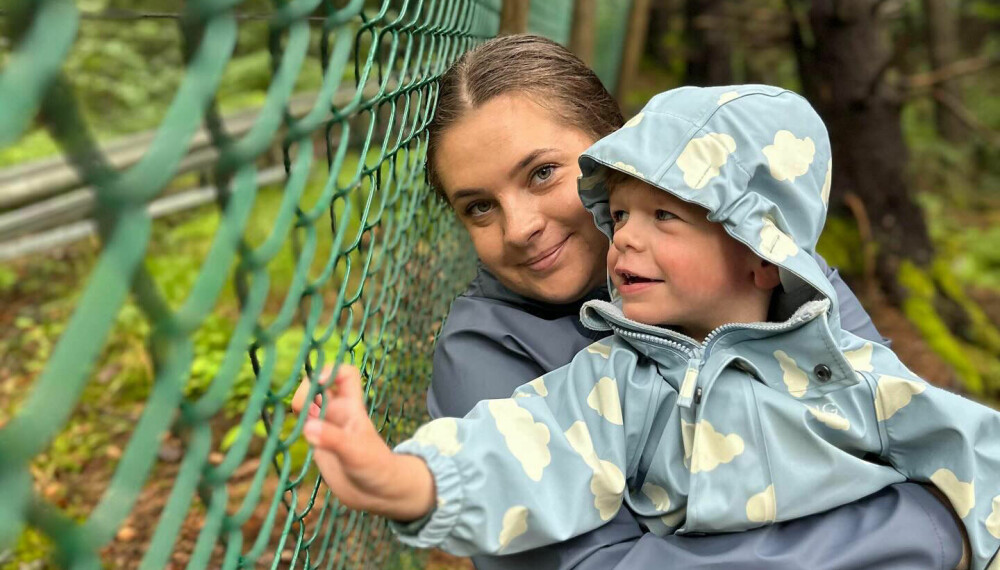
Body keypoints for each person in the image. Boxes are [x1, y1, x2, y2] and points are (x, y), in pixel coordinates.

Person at [295, 36, 968, 569]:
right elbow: (541, 501)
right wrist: (926, 532)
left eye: (542, 173)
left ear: (615, 152)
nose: (520, 225)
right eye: (479, 207)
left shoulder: (760, 259)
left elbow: (925, 430)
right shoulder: (506, 357)